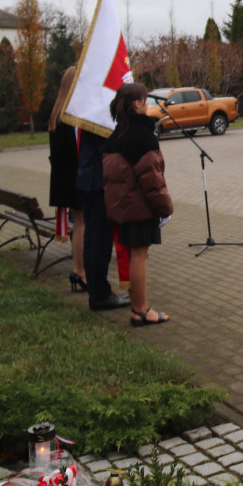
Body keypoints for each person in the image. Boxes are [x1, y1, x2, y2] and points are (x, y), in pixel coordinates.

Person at [102, 83, 173, 326]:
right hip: (139, 208)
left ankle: (136, 306)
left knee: (134, 255)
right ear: (136, 104)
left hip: (124, 207)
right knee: (139, 256)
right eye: (145, 100)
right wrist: (165, 209)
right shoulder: (141, 135)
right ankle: (141, 310)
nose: (148, 104)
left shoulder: (116, 134)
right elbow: (152, 179)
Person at [77, 122, 130, 312]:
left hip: (88, 179)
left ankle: (96, 290)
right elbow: (108, 149)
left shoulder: (89, 115)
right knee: (100, 241)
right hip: (98, 183)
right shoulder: (98, 120)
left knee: (92, 240)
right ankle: (100, 294)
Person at [48, 66, 86, 292]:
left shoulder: (56, 114)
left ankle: (79, 269)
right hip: (76, 178)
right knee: (81, 225)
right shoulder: (72, 116)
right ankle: (80, 271)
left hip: (63, 179)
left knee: (80, 224)